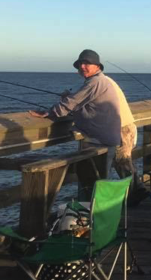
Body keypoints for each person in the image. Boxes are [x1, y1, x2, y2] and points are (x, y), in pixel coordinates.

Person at [29, 49, 123, 197]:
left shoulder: (95, 82)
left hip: (99, 140)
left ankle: (91, 216)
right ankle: (96, 215)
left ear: (97, 66)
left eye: (87, 63)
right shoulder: (100, 81)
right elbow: (82, 101)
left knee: (93, 184)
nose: (82, 67)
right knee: (98, 182)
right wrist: (68, 99)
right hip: (106, 139)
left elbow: (72, 103)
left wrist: (49, 113)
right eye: (80, 64)